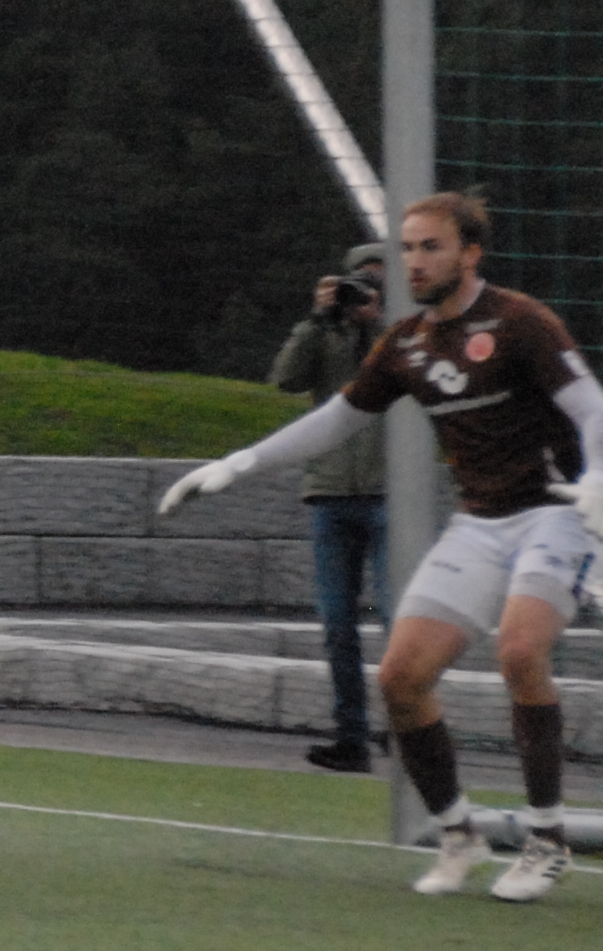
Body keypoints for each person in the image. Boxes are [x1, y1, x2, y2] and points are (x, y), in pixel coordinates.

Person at [162, 192, 599, 904]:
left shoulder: (521, 321)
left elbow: (591, 407)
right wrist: (238, 464)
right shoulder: (405, 344)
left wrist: (599, 478)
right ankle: (459, 835)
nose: (414, 262)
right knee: (400, 676)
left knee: (521, 652)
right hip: (481, 523)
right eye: (407, 248)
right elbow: (336, 420)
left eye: (431, 247)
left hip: (557, 513)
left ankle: (548, 841)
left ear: (470, 254)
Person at [270, 241, 392, 772]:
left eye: (379, 282)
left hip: (392, 494)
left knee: (399, 622)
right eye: (361, 281)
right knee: (337, 625)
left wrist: (379, 322)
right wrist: (318, 320)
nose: (367, 291)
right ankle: (351, 737)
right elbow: (286, 379)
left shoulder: (407, 333)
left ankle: (406, 729)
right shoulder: (327, 334)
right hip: (331, 493)